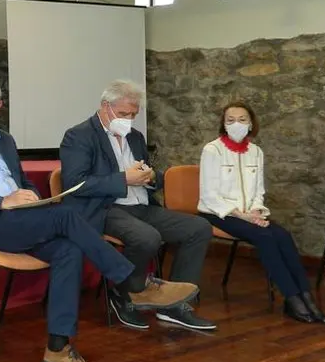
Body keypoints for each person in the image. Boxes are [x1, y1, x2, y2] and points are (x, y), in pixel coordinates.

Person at [0, 74, 200, 362]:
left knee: (68, 249)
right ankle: (134, 285)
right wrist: (2, 201)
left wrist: (32, 198)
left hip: (19, 219)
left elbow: (21, 182)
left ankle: (59, 347)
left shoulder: (6, 139)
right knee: (66, 217)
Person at [60, 79, 216, 332]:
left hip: (141, 204)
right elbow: (75, 183)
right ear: (105, 106)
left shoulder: (135, 137)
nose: (128, 119)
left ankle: (173, 304)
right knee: (146, 237)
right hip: (104, 208)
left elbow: (149, 174)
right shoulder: (79, 136)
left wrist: (152, 177)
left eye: (133, 114)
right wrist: (124, 179)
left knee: (198, 228)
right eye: (123, 114)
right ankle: (125, 295)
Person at [198, 102, 325, 324]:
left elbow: (258, 190)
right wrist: (242, 215)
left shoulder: (256, 152)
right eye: (230, 120)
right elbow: (209, 195)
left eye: (242, 119)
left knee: (283, 236)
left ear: (251, 124)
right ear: (223, 124)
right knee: (266, 237)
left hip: (251, 214)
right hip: (219, 213)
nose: (236, 124)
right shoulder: (212, 150)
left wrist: (257, 210)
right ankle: (292, 297)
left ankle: (306, 297)